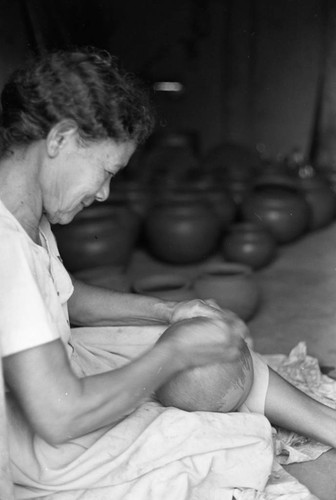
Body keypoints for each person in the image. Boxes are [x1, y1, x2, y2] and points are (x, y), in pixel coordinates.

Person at [0, 47, 335, 500]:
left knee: (210, 345)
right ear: (59, 139)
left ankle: (329, 424)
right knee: (221, 441)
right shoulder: (4, 245)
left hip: (49, 373)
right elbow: (58, 418)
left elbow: (62, 295)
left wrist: (170, 310)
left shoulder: (24, 209)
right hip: (34, 440)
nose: (104, 193)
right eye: (105, 171)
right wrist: (172, 354)